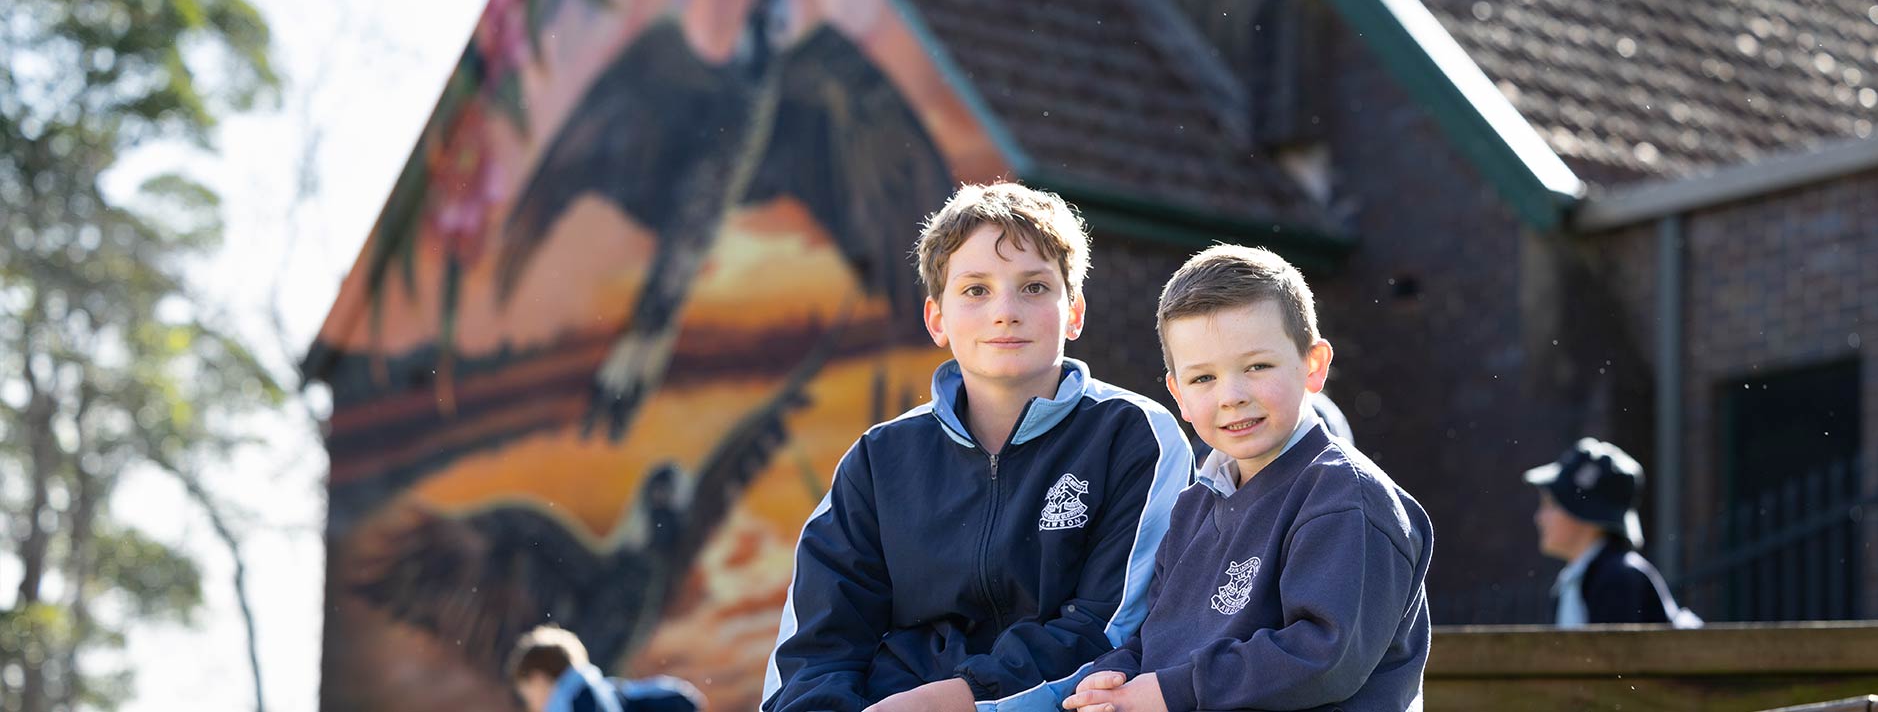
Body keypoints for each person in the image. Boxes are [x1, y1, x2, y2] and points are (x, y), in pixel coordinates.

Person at [760, 183, 1194, 712]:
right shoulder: (879, 461)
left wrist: (955, 701)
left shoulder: (1135, 436)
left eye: (1034, 288)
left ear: (1074, 313)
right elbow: (817, 648)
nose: (1005, 311)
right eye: (975, 290)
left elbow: (1109, 629)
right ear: (936, 319)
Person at [1062, 244, 1432, 712]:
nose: (1232, 396)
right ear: (1177, 392)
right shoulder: (1194, 504)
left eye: (1257, 366)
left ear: (1312, 366)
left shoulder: (1344, 496)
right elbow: (1157, 636)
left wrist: (1172, 692)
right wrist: (1115, 676)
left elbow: (1323, 658)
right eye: (1203, 379)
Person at [1527, 437, 1699, 627]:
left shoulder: (1617, 579)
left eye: (1550, 505)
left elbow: (1616, 656)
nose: (1539, 518)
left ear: (1583, 511)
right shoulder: (1575, 581)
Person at [506, 625, 704, 712]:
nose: (532, 707)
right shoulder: (607, 690)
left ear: (539, 680)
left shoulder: (573, 699)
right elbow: (682, 699)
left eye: (528, 696)